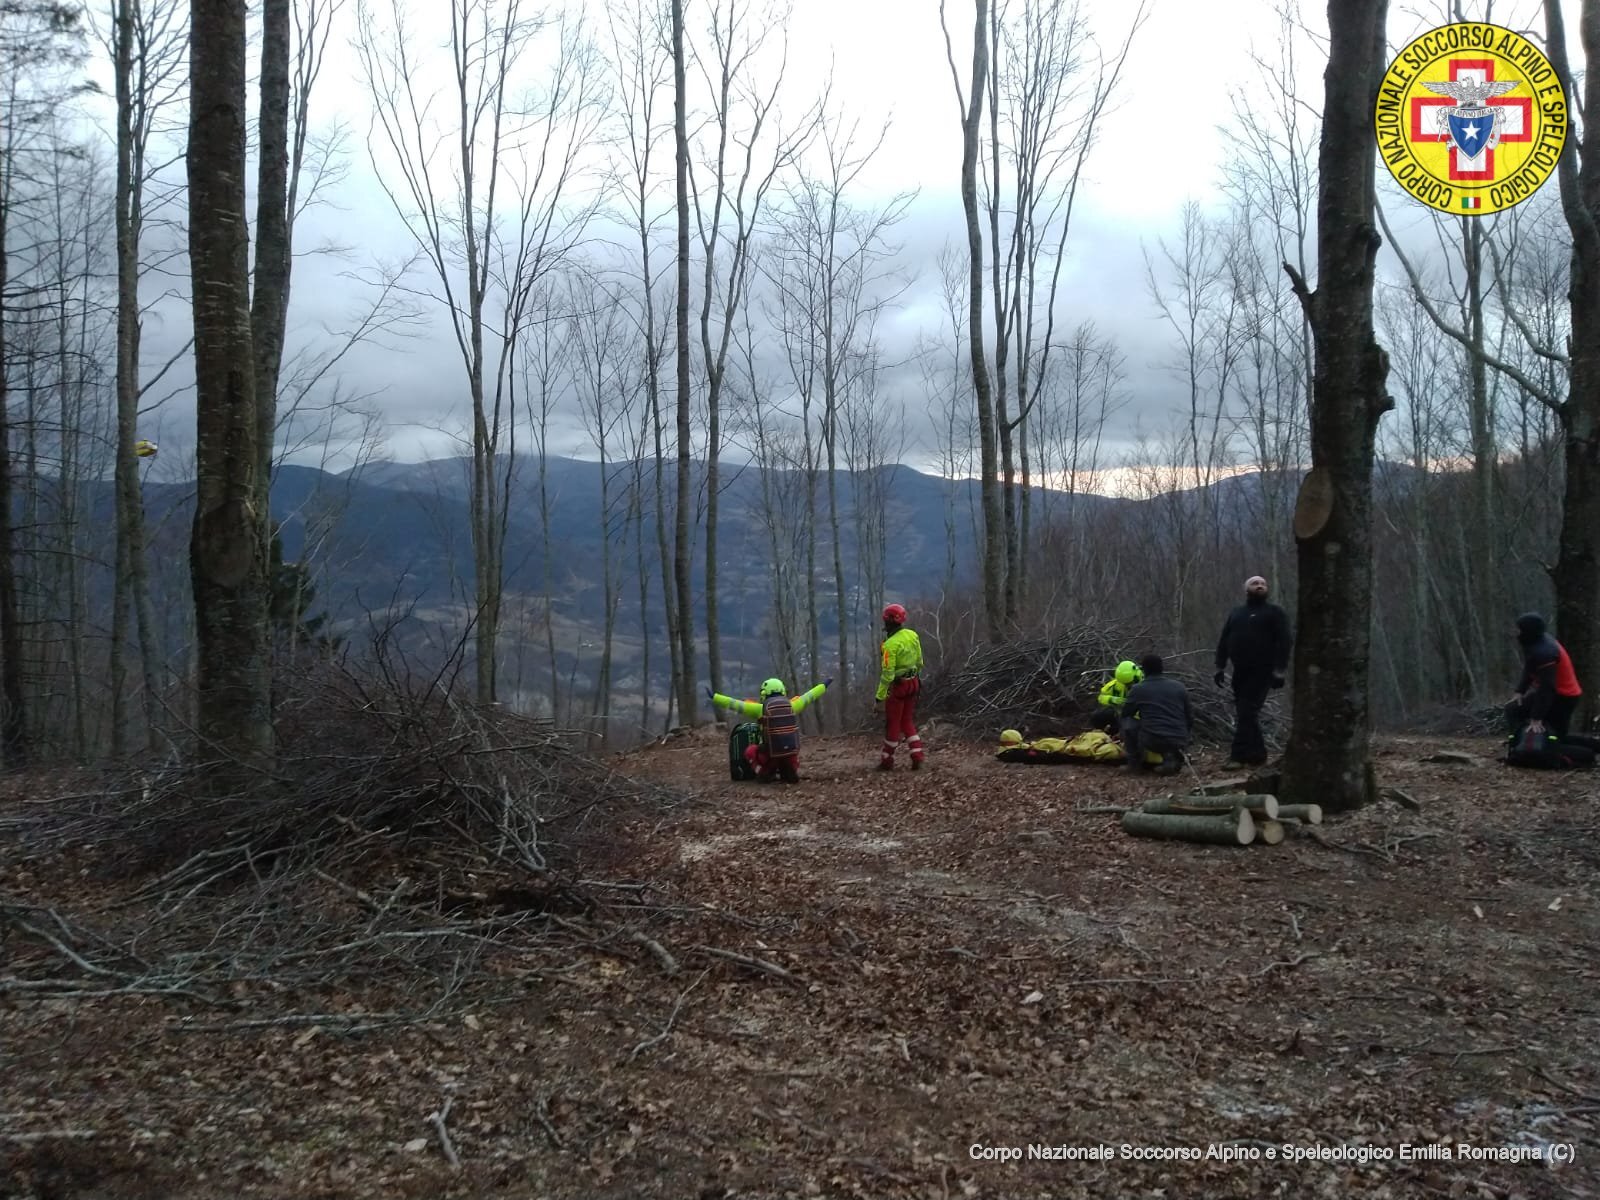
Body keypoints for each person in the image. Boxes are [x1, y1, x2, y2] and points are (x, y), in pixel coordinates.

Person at [1214, 574, 1293, 769]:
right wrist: (1220, 666)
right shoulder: (1236, 613)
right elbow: (1224, 640)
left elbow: (1285, 641)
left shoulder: (1274, 612)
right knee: (1246, 713)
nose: (1260, 586)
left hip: (1263, 670)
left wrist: (1280, 670)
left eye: (1263, 584)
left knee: (1247, 711)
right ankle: (1257, 754)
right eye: (1255, 583)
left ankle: (1238, 756)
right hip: (1240, 670)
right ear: (1246, 589)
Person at [708, 676, 829, 783]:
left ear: (764, 693)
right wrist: (824, 685)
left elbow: (734, 704)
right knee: (789, 757)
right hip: (790, 754)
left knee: (750, 751)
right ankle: (788, 771)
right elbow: (810, 696)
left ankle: (763, 773)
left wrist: (715, 697)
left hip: (769, 755)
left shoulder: (760, 709)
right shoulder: (792, 706)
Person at [1506, 612, 1582, 741]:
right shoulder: (1533, 642)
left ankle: (1593, 749)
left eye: (1519, 629)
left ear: (1528, 631)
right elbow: (1530, 667)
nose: (1515, 632)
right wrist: (1520, 691)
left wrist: (1537, 717)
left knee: (1555, 738)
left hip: (1564, 696)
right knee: (1513, 709)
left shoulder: (1545, 653)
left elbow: (1547, 687)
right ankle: (1517, 743)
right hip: (1554, 693)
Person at [1122, 654, 1193, 776]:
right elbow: (1190, 717)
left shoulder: (1138, 689)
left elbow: (1126, 712)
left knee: (1128, 721)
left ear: (1143, 670)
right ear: (1162, 668)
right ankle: (1172, 759)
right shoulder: (1179, 687)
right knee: (1172, 730)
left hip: (1152, 739)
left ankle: (1134, 764)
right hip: (1180, 738)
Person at [876, 603, 924, 770]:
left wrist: (879, 697)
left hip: (899, 687)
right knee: (907, 720)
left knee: (893, 723)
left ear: (887, 621)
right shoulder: (912, 635)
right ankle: (917, 755)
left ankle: (886, 760)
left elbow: (887, 674)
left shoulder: (890, 645)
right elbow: (919, 662)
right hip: (913, 683)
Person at [1090, 660, 1143, 734]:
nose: (1127, 686)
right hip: (1120, 716)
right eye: (1125, 684)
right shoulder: (1115, 685)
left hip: (1139, 720)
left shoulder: (1147, 686)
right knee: (1098, 715)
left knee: (1130, 727)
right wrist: (1112, 699)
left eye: (1129, 683)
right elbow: (1101, 697)